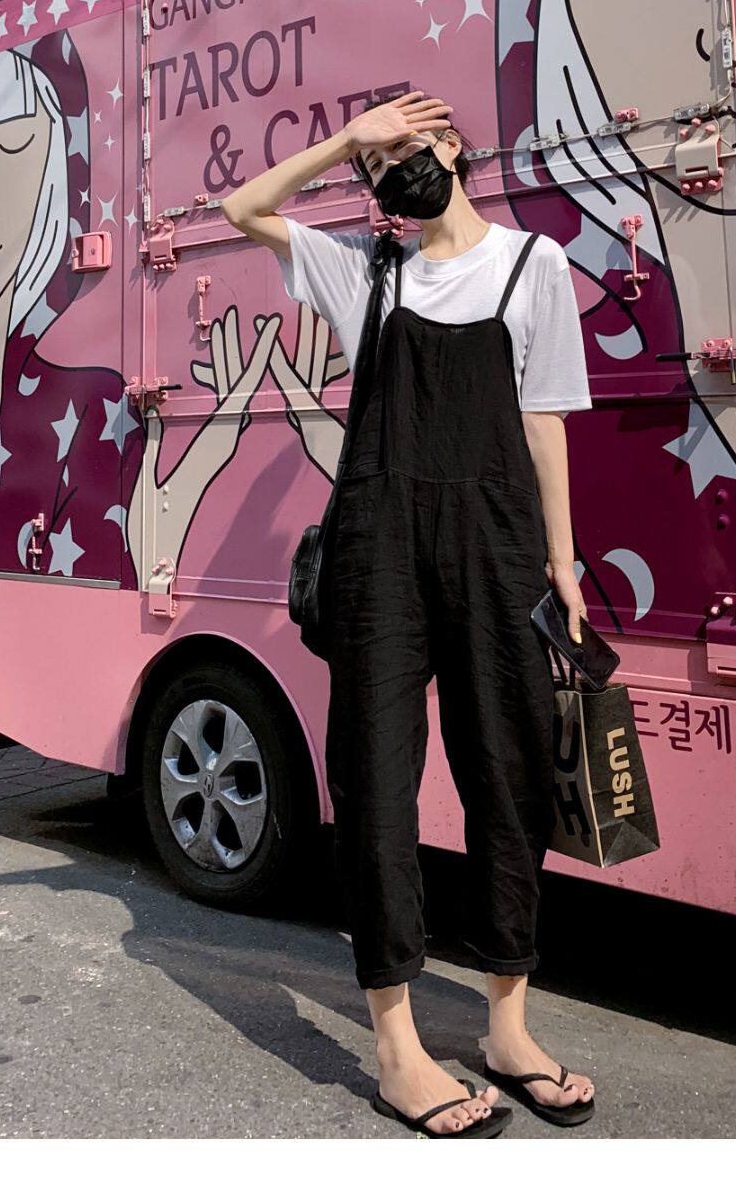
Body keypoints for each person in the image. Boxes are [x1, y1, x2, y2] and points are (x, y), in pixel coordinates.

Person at [222, 91, 597, 1137]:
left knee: (510, 776)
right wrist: (348, 139)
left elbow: (545, 422)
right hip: (379, 553)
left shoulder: (533, 266)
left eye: (410, 150)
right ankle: (397, 1047)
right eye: (380, 167)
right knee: (378, 781)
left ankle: (507, 1028)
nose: (396, 172)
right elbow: (244, 208)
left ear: (456, 149)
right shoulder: (366, 271)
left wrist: (563, 564)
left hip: (499, 548)